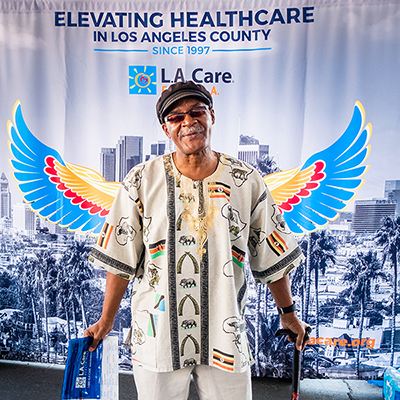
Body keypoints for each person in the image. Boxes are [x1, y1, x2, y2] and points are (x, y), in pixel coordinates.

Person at [85, 81, 310, 400]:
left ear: (211, 116)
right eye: (176, 117)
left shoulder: (245, 180)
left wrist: (287, 312)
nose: (188, 122)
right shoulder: (141, 180)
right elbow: (120, 257)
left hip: (225, 329)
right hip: (158, 334)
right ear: (166, 128)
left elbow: (270, 250)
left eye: (196, 112)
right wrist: (106, 320)